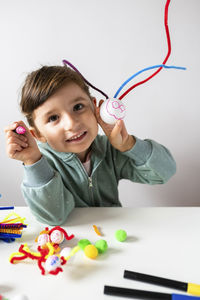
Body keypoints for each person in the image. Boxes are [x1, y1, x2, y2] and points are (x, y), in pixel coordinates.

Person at [4, 65, 176, 225]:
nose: (71, 123)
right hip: (72, 243)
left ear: (95, 108)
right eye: (53, 118)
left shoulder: (110, 149)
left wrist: (128, 145)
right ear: (38, 134)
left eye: (78, 107)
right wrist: (33, 161)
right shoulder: (43, 164)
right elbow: (54, 217)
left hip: (113, 236)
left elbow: (165, 172)